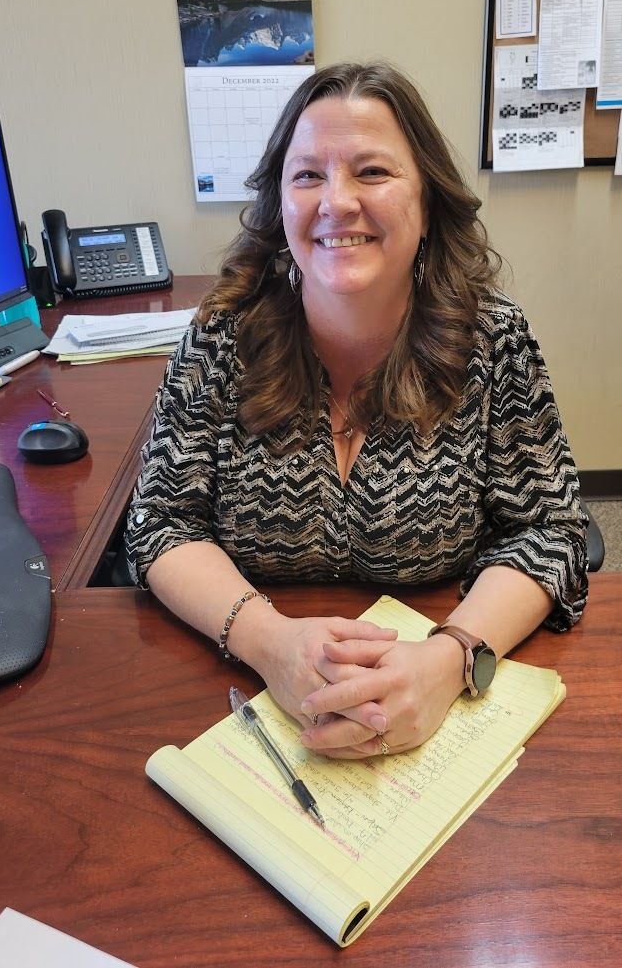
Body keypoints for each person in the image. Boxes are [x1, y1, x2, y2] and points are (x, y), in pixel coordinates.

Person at [125, 61, 587, 761]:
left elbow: (549, 529)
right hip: (241, 697)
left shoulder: (491, 339)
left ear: (427, 201)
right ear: (279, 206)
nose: (336, 201)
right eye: (307, 175)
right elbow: (159, 520)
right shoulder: (224, 333)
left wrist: (452, 656)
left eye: (370, 172)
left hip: (435, 692)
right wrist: (268, 641)